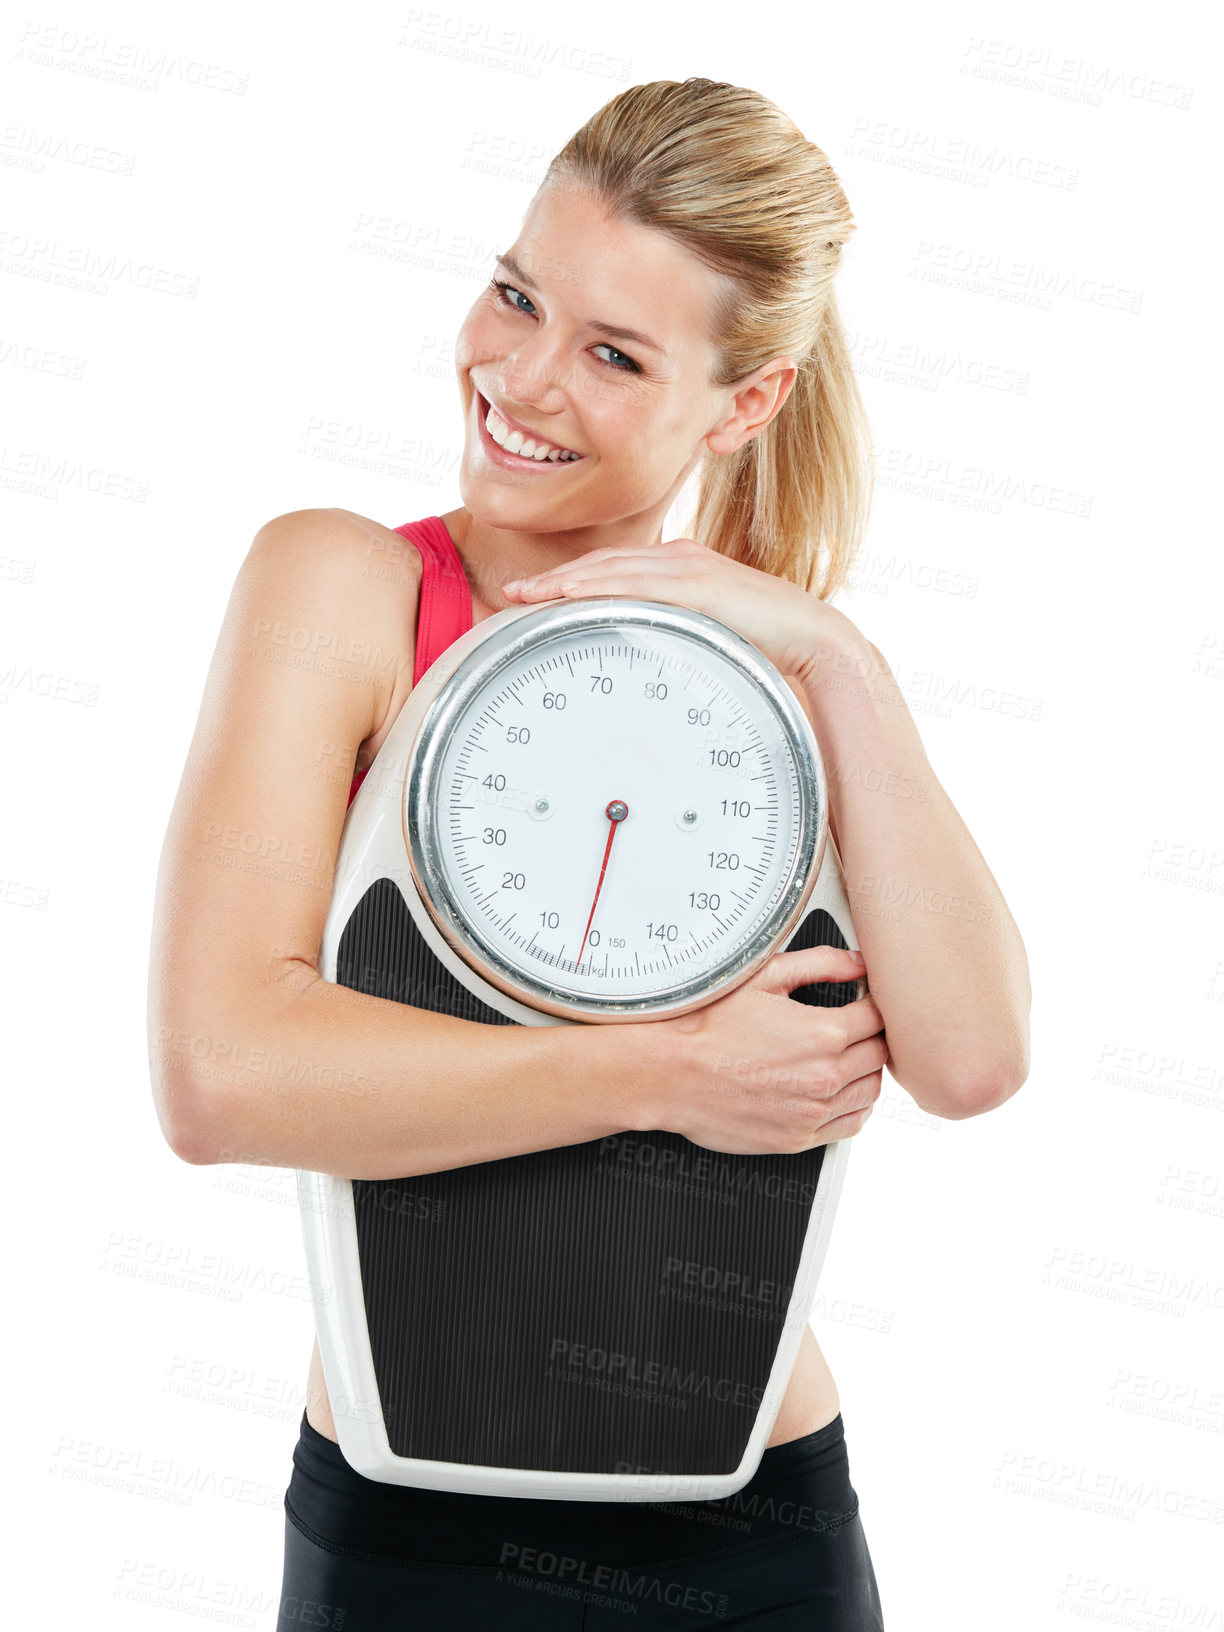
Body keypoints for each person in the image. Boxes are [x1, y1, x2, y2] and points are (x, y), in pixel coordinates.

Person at [148, 76, 1030, 1630]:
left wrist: (843, 666)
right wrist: (667, 1073)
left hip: (755, 1534)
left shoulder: (784, 677)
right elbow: (224, 1072)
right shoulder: (342, 586)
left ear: (744, 402)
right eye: (515, 297)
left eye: (614, 354)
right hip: (404, 1539)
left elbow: (970, 1061)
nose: (522, 379)